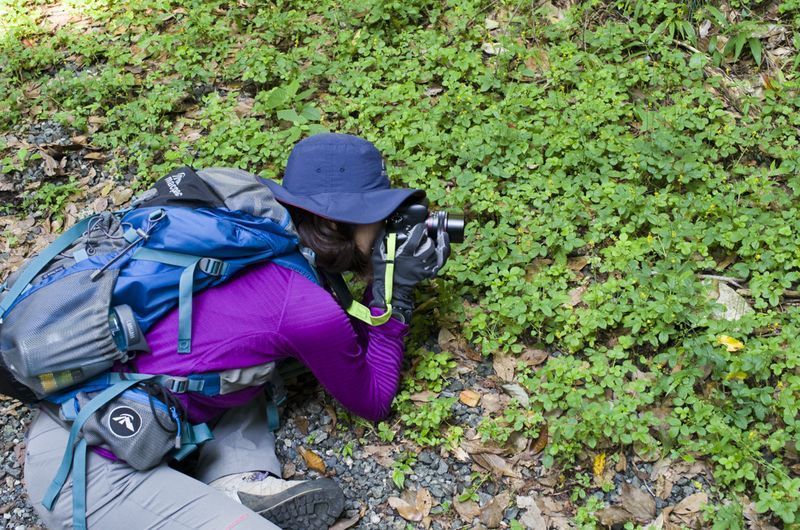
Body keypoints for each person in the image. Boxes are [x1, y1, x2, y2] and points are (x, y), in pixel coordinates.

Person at [22, 133, 451, 530]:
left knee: (253, 365)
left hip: (87, 412)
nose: (384, 231)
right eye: (377, 219)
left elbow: (334, 342)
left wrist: (384, 281)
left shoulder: (250, 236)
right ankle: (212, 502)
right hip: (88, 471)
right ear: (339, 222)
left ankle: (233, 482)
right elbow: (373, 398)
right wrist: (397, 295)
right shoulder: (303, 307)